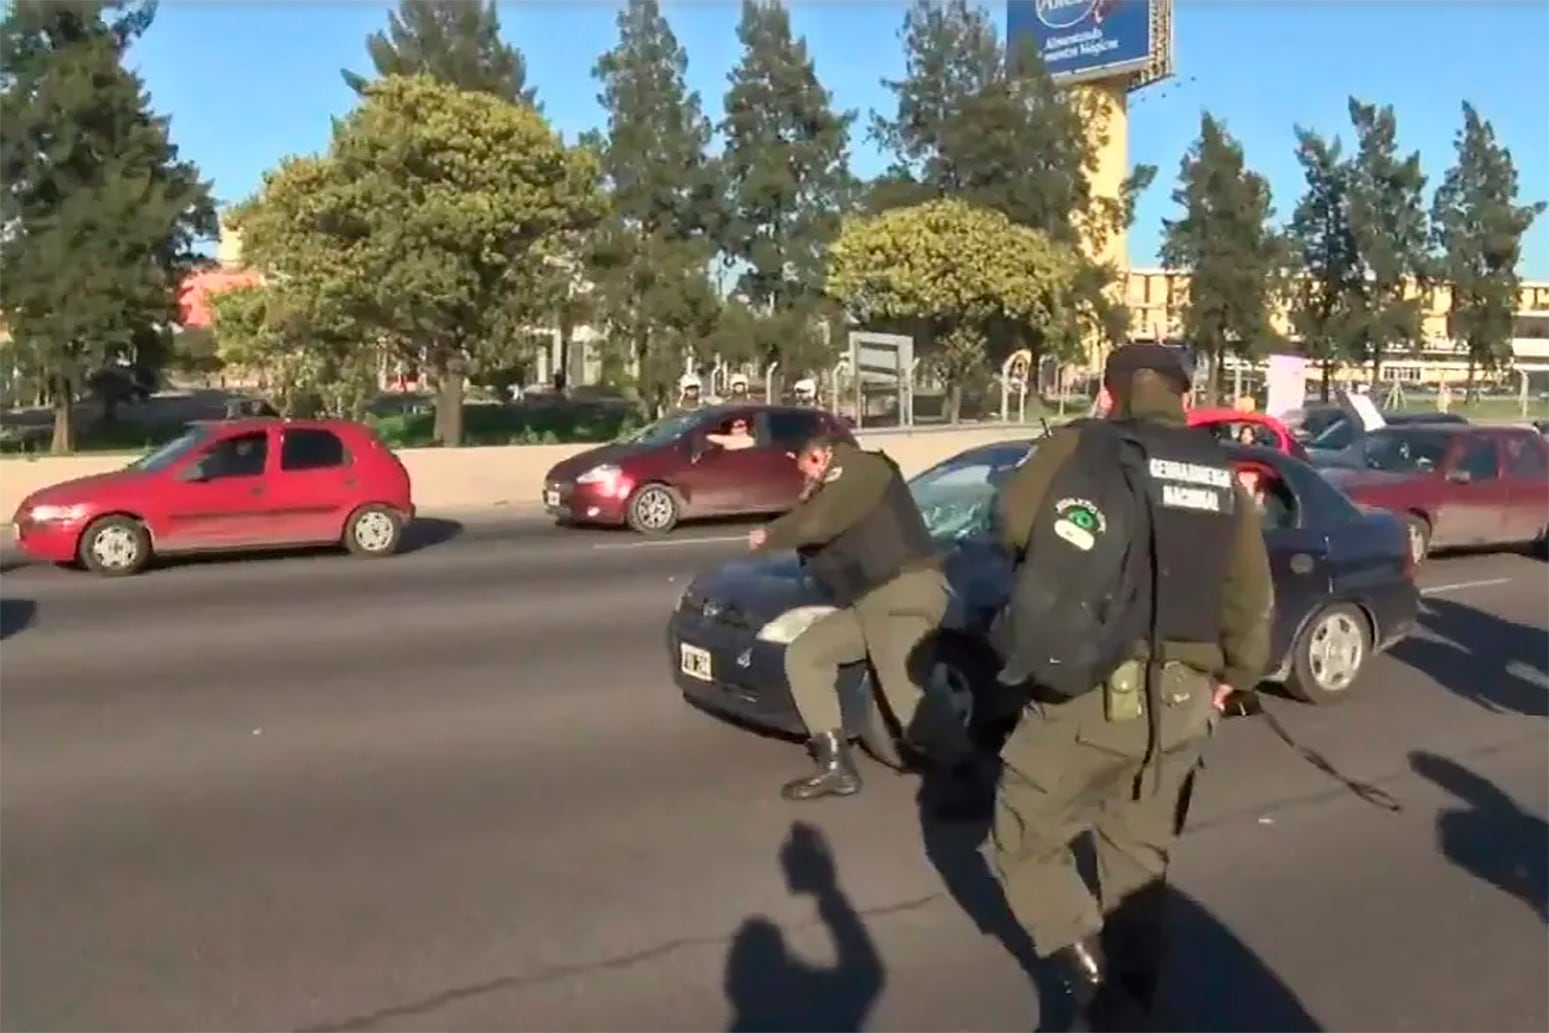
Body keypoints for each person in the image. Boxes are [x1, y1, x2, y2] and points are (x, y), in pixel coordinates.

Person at [990, 343, 1274, 1027]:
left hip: (1090, 692)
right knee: (1137, 869)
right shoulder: (1219, 473)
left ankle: (1097, 990)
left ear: (1110, 393)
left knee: (1022, 840)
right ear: (1182, 395)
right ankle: (1138, 1002)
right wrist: (1233, 677)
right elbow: (1250, 596)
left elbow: (1009, 524)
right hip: (1181, 704)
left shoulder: (1082, 445)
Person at [748, 433, 977, 802]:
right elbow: (819, 539)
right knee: (807, 654)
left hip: (903, 594)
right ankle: (836, 768)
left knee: (906, 700)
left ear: (820, 457)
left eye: (806, 469)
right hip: (870, 603)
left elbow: (820, 521)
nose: (805, 479)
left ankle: (970, 784)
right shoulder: (833, 492)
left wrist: (771, 533)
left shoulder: (863, 468)